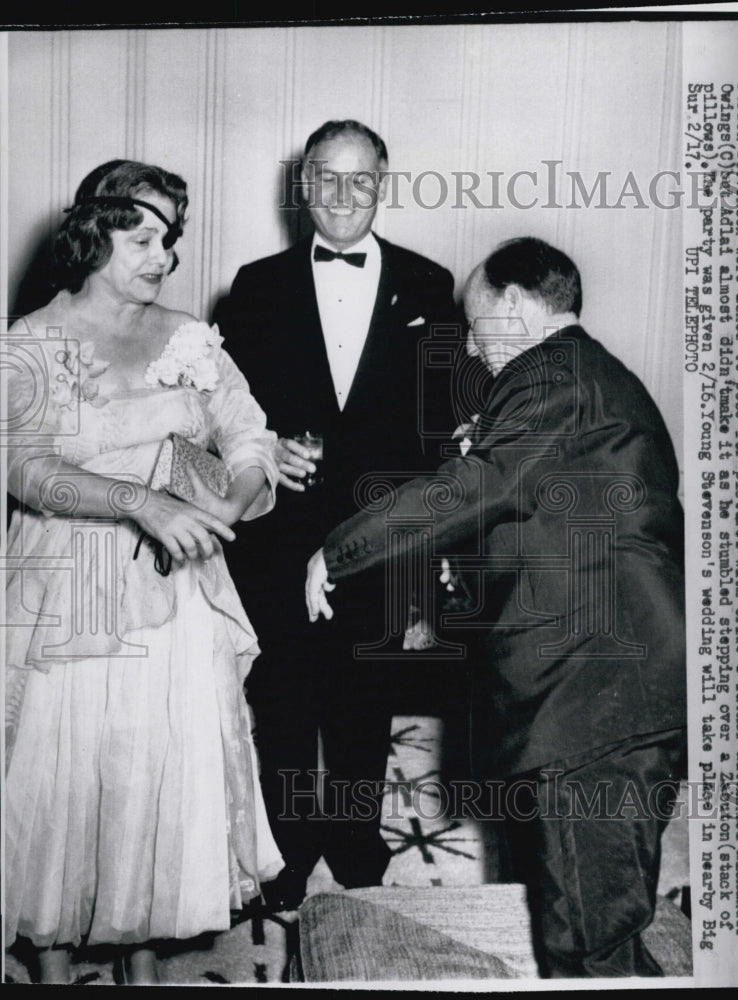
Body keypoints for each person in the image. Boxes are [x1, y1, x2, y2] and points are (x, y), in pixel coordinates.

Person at [306, 236, 687, 978]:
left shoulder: (557, 375)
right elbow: (533, 511)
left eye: (478, 330)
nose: (476, 353)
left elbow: (481, 488)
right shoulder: (582, 380)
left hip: (594, 696)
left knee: (586, 939)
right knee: (593, 916)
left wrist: (338, 550)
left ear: (515, 305)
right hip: (600, 692)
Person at [3, 160, 283, 985]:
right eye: (144, 238)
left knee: (153, 761)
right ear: (92, 236)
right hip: (67, 583)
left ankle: (144, 947)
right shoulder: (29, 343)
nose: (165, 257)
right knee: (64, 769)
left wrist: (219, 512)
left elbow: (249, 439)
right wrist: (138, 501)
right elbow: (24, 469)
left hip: (174, 588)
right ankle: (51, 958)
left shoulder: (190, 336)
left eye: (172, 239)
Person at [216, 120, 462, 911]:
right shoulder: (255, 286)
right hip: (281, 530)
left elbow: (438, 432)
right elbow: (225, 417)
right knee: (282, 694)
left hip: (384, 532)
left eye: (361, 180)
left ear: (383, 183)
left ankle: (357, 838)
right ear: (304, 186)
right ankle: (286, 846)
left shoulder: (430, 284)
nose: (343, 196)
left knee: (365, 697)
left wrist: (427, 557)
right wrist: (267, 449)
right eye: (327, 178)